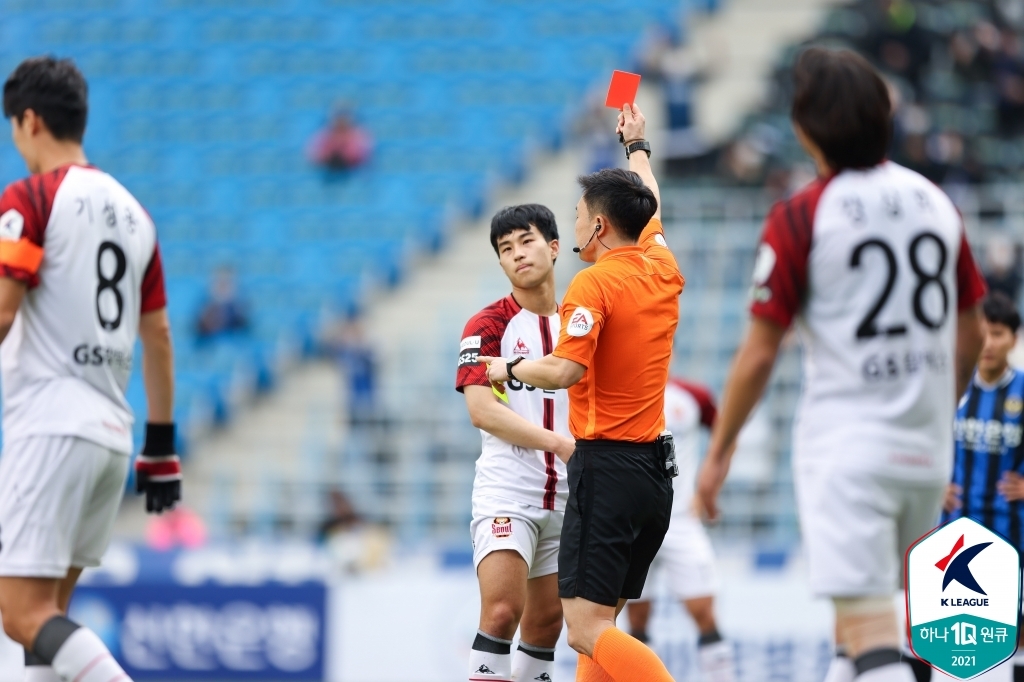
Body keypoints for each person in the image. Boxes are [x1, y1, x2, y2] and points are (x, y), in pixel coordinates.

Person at [696, 47, 987, 682]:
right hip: (924, 452)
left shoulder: (802, 214)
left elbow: (759, 353)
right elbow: (971, 334)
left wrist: (718, 453)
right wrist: (940, 417)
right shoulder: (935, 203)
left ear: (804, 129)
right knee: (891, 639)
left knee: (871, 633)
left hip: (848, 451)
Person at [481, 102, 684, 682]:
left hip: (608, 469)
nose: (571, 222)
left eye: (576, 214)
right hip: (654, 473)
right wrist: (637, 148)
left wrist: (508, 369)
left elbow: (567, 370)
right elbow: (650, 204)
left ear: (596, 226)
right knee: (601, 631)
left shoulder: (593, 282)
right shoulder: (661, 265)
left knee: (586, 630)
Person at [0, 57, 180, 682]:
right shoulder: (136, 216)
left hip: (49, 425)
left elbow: (2, 314)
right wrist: (161, 447)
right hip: (111, 434)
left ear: (29, 120)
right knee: (48, 620)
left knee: (20, 613)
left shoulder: (29, 198)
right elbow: (157, 334)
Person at [456, 204, 575, 682]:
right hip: (509, 490)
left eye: (526, 241)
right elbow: (482, 411)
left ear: (553, 246)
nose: (517, 254)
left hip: (569, 495)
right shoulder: (486, 325)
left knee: (546, 626)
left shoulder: (581, 323)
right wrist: (559, 444)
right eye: (506, 249)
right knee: (503, 612)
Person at [626, 378, 736, 682]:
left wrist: (708, 490)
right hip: (634, 525)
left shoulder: (693, 396)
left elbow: (727, 435)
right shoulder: (620, 389)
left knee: (705, 613)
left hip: (682, 521)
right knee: (637, 619)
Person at [941, 292, 1024, 682]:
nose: (989, 343)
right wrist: (934, 483)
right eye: (983, 332)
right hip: (951, 540)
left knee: (1011, 643)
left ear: (1014, 338)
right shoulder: (949, 388)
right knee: (954, 650)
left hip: (1012, 538)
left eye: (998, 333)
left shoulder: (1022, 392)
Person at [306, 107, 372, 171]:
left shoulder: (358, 135)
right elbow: (313, 155)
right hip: (328, 170)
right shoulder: (325, 135)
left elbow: (364, 156)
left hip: (351, 171)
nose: (341, 121)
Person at [195, 266, 249, 340]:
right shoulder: (204, 313)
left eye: (227, 283)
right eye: (220, 283)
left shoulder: (241, 314)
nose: (223, 288)